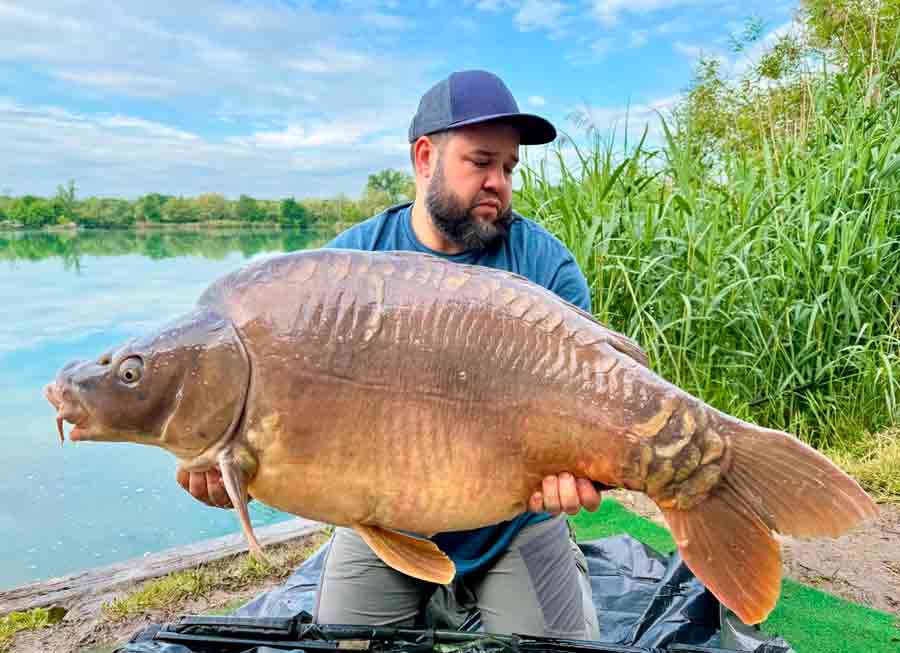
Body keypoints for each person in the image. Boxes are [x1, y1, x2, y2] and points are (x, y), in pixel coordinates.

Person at [177, 70, 603, 640]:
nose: (498, 183)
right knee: (347, 641)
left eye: (508, 169)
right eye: (480, 162)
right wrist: (235, 468)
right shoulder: (342, 268)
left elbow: (593, 409)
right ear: (425, 157)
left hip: (516, 520)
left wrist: (580, 474)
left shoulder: (547, 269)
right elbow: (292, 418)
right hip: (377, 519)